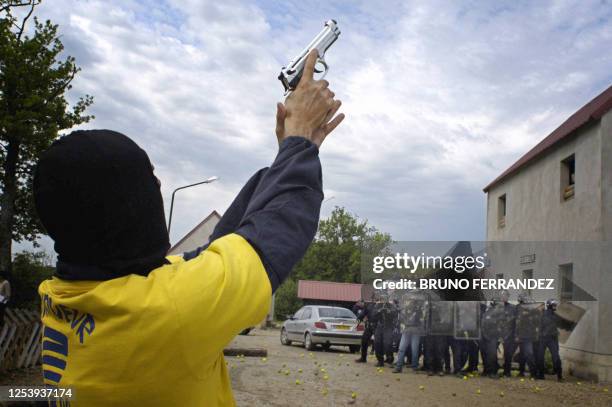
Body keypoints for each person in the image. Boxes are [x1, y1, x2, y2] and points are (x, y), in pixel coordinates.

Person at [34, 50, 344, 406]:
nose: (159, 184)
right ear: (127, 205)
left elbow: (221, 248)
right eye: (149, 179)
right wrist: (299, 142)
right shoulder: (170, 311)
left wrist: (288, 155)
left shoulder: (59, 294)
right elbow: (278, 227)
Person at [536, 299, 563, 381]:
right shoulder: (542, 315)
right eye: (554, 305)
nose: (555, 306)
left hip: (552, 339)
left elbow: (559, 327)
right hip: (543, 339)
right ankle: (541, 375)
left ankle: (559, 376)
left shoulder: (556, 316)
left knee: (555, 357)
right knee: (541, 357)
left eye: (555, 305)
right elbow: (539, 326)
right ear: (549, 306)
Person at [373, 297, 397, 367]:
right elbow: (373, 315)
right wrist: (379, 311)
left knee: (387, 343)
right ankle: (380, 360)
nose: (383, 301)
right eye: (382, 299)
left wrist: (388, 311)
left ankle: (390, 359)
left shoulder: (391, 305)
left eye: (384, 299)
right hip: (380, 326)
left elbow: (395, 313)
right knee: (377, 343)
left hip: (388, 326)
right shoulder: (377, 305)